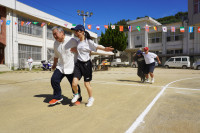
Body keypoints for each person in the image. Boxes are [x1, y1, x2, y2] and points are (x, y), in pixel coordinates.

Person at [70, 24, 114, 107]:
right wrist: (74, 50)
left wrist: (105, 49)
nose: (75, 33)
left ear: (82, 32)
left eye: (77, 31)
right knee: (74, 84)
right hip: (78, 64)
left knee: (87, 84)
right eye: (75, 31)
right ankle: (76, 95)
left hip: (86, 65)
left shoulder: (88, 41)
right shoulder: (78, 41)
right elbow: (81, 49)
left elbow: (96, 46)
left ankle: (90, 98)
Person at [49, 26, 82, 105]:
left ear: (62, 33)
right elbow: (56, 55)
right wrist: (54, 65)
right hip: (61, 66)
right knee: (54, 79)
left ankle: (78, 98)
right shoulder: (55, 43)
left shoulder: (71, 40)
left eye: (55, 34)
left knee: (73, 84)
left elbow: (82, 48)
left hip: (71, 66)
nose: (54, 36)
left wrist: (77, 49)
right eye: (53, 35)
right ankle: (57, 97)